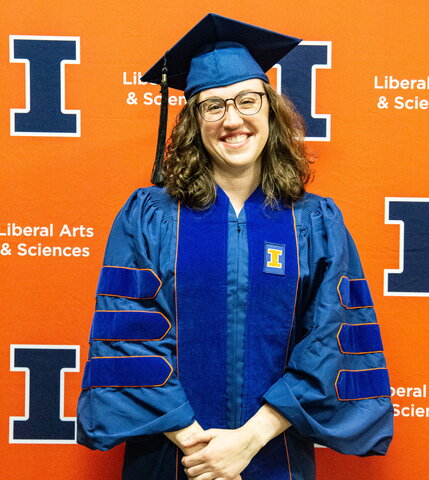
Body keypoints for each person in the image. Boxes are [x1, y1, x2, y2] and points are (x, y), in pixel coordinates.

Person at [77, 13, 393, 480]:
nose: (233, 119)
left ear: (269, 110)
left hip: (275, 454)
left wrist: (247, 442)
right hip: (173, 458)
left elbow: (332, 337)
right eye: (214, 106)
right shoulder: (150, 216)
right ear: (193, 122)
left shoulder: (315, 221)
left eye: (247, 100)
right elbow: (127, 335)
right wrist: (201, 449)